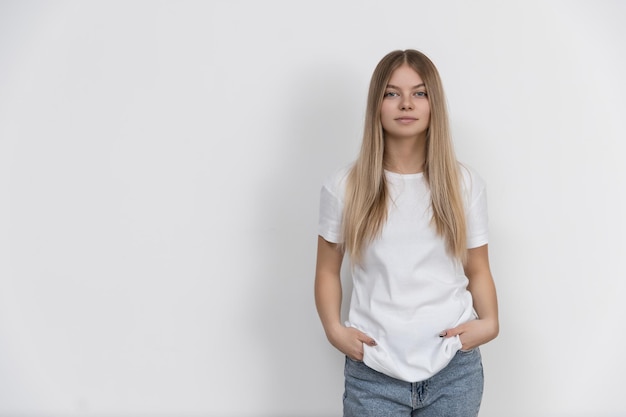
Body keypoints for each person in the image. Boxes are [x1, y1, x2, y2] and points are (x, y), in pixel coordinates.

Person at [314, 49, 499, 416]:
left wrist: (490, 322)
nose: (406, 104)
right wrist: (334, 329)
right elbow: (326, 270)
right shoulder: (345, 186)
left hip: (453, 372)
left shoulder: (463, 184)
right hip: (374, 374)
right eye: (391, 93)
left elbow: (477, 268)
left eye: (419, 92)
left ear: (433, 104)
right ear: (377, 104)